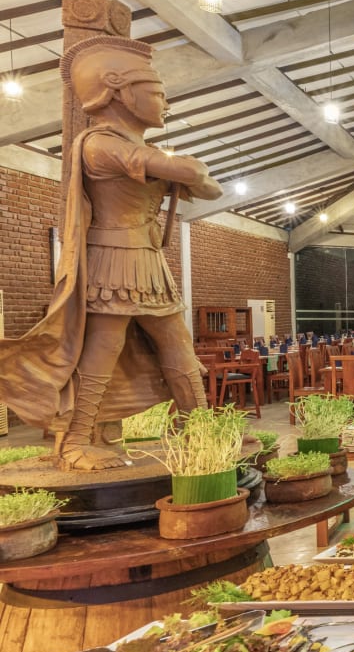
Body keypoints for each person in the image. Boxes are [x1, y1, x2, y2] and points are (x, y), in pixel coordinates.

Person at [0, 35, 222, 470]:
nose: (166, 103)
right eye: (157, 92)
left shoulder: (138, 150)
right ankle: (76, 440)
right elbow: (192, 171)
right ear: (118, 90)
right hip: (112, 259)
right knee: (103, 348)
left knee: (178, 344)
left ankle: (201, 429)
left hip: (149, 261)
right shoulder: (100, 144)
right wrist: (185, 168)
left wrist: (187, 170)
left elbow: (210, 187)